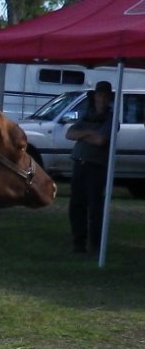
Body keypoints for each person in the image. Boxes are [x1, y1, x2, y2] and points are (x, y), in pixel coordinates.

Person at [66, 80, 114, 253]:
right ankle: (78, 242)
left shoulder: (111, 118)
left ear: (109, 98)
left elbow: (101, 140)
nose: (101, 99)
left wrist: (83, 135)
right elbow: (69, 134)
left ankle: (95, 244)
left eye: (104, 96)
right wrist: (89, 133)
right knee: (76, 205)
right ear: (94, 97)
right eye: (99, 95)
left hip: (96, 166)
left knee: (95, 207)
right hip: (79, 163)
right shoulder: (86, 115)